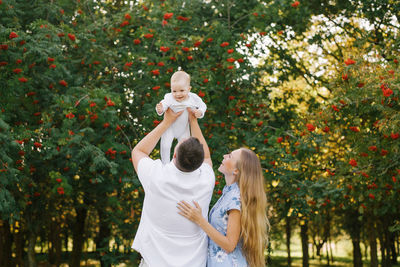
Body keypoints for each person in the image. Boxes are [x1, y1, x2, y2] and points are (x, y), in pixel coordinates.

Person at [131, 107, 215, 267]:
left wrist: (167, 122)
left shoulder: (156, 177)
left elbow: (139, 151)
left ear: (174, 155)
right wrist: (193, 121)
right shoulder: (207, 179)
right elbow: (207, 157)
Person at [177, 147, 270, 267]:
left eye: (230, 156)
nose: (224, 156)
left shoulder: (235, 199)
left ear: (236, 170)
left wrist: (199, 220)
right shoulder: (229, 193)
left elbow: (230, 245)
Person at [156, 70, 207, 164]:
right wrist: (160, 109)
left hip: (184, 128)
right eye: (174, 91)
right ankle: (165, 164)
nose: (178, 94)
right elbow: (164, 104)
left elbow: (203, 106)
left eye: (182, 90)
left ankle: (181, 165)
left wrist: (200, 112)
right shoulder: (169, 97)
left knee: (185, 147)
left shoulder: (193, 98)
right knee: (165, 146)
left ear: (189, 89)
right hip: (170, 127)